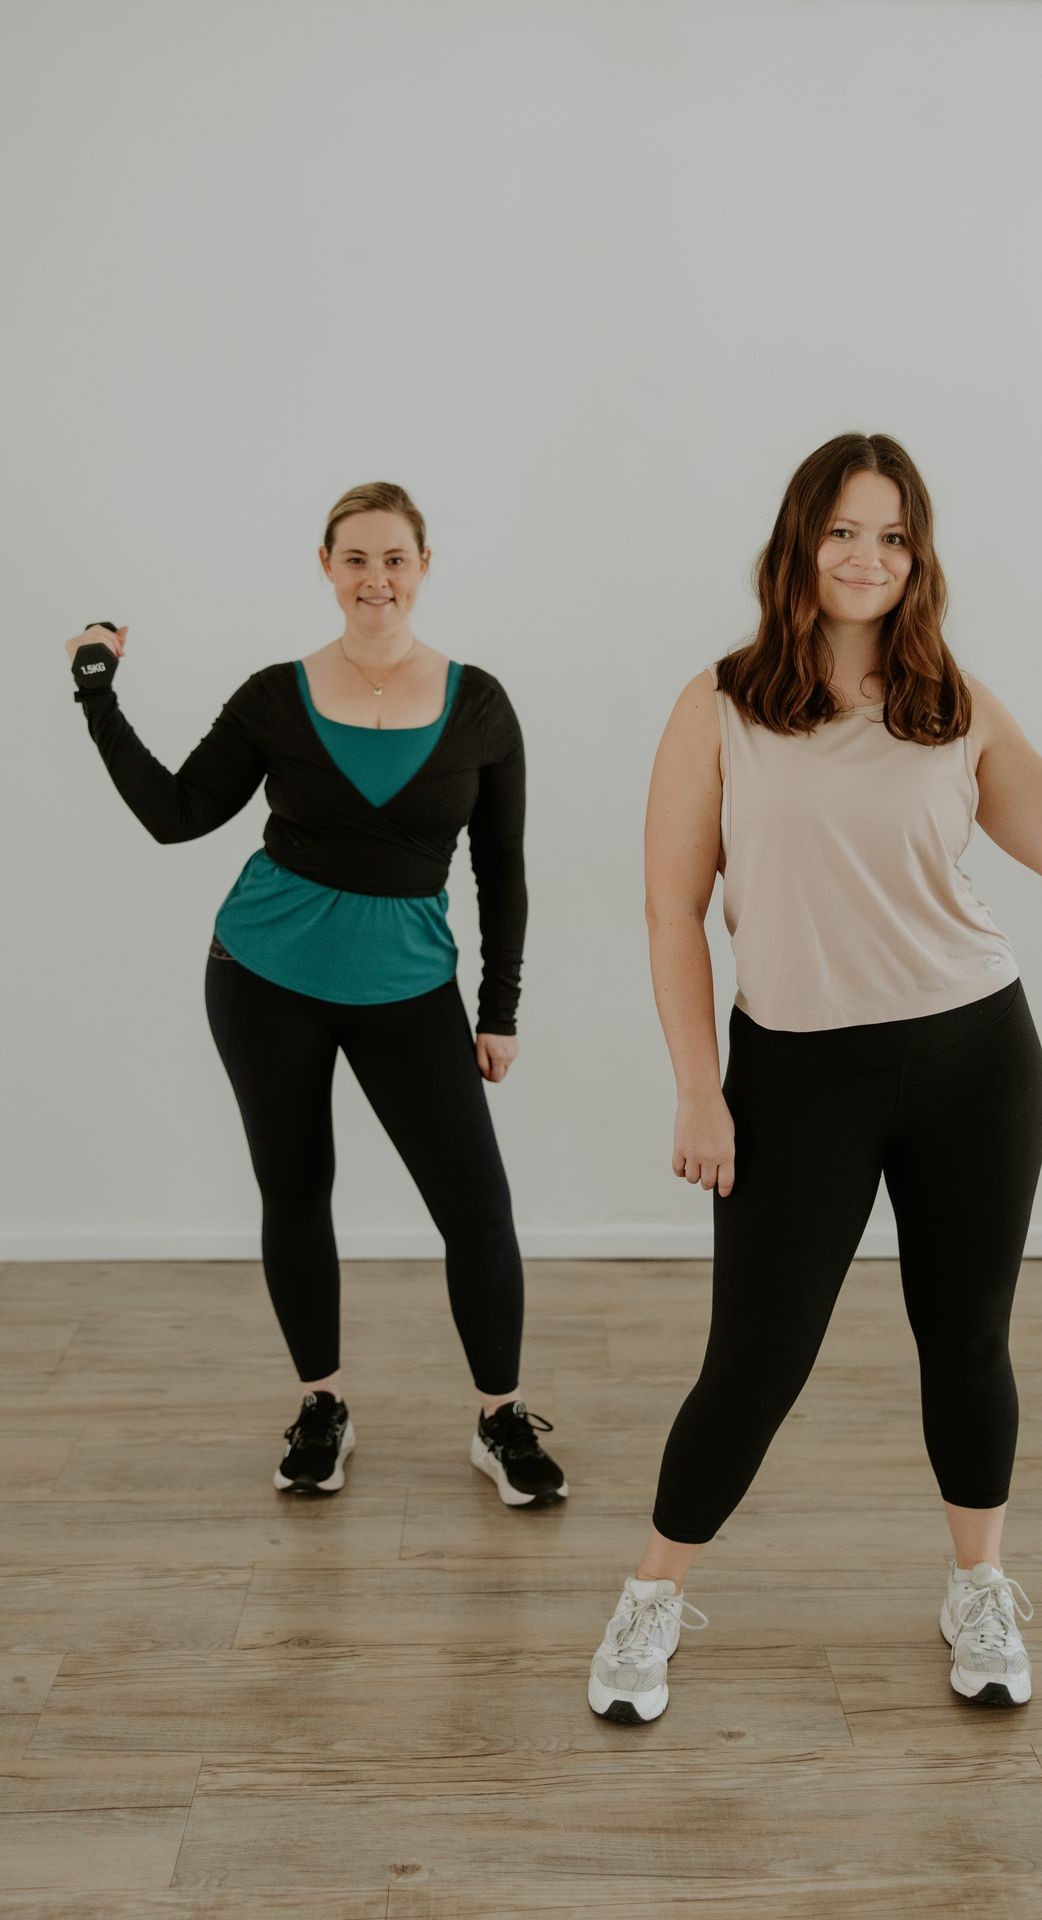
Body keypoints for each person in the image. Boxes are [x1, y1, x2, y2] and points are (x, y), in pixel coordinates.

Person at [587, 431, 1042, 1722]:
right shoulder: (719, 705)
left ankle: (978, 1587)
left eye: (892, 535)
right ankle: (649, 1601)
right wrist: (699, 1088)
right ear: (799, 544)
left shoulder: (953, 701)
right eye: (842, 532)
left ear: (916, 554)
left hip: (972, 1056)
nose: (867, 558)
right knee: (754, 1363)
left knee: (967, 1343)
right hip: (795, 1075)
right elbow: (669, 910)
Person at [66, 480, 566, 1508]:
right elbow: (176, 814)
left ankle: (498, 1417)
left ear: (422, 568)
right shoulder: (272, 695)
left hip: (409, 987)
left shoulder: (479, 704)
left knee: (476, 1211)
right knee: (295, 1191)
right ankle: (322, 1407)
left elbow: (502, 870)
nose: (374, 579)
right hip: (262, 975)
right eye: (355, 559)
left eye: (393, 559)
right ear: (326, 568)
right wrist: (96, 696)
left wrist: (498, 1007)